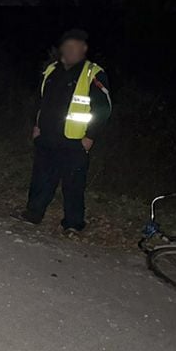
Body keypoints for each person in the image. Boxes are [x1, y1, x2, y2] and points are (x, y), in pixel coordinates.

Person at [17, 29, 111, 233]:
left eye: (76, 46)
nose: (71, 50)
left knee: (73, 184)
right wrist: (36, 125)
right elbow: (39, 100)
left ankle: (73, 224)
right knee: (41, 178)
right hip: (47, 136)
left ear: (84, 49)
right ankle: (33, 213)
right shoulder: (51, 70)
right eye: (67, 46)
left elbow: (104, 108)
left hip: (75, 140)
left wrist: (90, 137)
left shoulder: (93, 73)